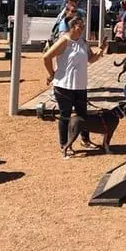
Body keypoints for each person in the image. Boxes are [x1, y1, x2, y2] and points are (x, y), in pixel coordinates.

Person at [43, 15, 106, 155]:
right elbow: (46, 57)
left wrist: (101, 50)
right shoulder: (64, 41)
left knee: (83, 115)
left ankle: (85, 140)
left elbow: (91, 59)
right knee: (65, 116)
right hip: (64, 85)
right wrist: (52, 73)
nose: (82, 28)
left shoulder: (83, 41)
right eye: (80, 26)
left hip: (80, 85)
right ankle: (64, 144)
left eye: (83, 26)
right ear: (72, 27)